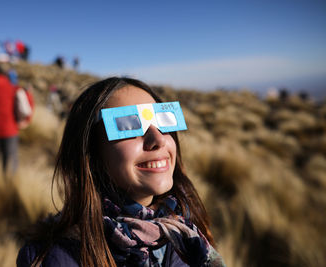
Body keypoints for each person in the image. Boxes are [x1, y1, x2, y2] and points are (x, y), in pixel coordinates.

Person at [17, 77, 225, 267]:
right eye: (129, 125)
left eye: (163, 121)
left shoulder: (188, 231)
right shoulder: (53, 259)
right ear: (91, 152)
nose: (158, 139)